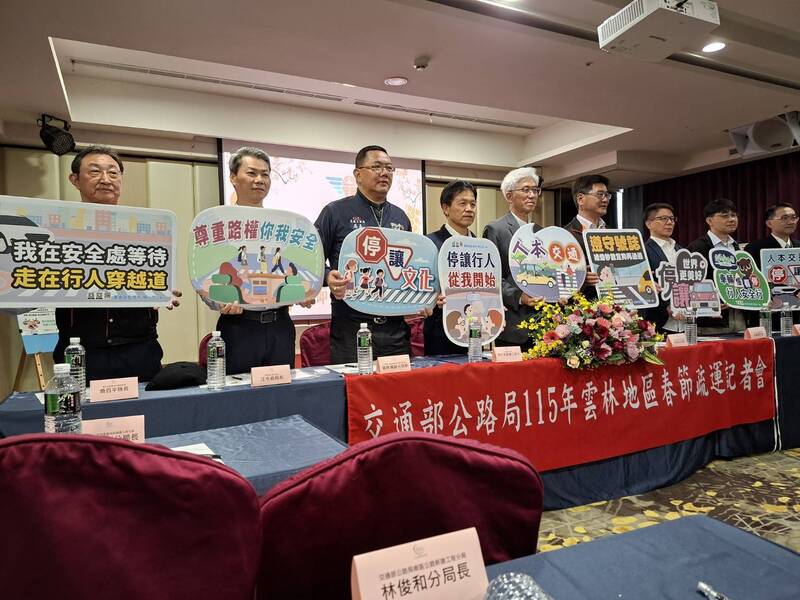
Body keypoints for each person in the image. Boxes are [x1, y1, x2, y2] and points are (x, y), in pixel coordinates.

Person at [53, 145, 181, 382]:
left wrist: (163, 291)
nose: (106, 179)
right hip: (81, 353)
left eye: (113, 173)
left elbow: (156, 278)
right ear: (75, 180)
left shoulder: (148, 230)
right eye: (95, 171)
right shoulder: (56, 231)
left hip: (139, 350)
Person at [316, 145, 413, 363]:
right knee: (355, 384)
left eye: (389, 168)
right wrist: (328, 276)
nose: (384, 173)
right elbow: (311, 259)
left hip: (395, 329)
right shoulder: (335, 212)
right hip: (352, 328)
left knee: (398, 383)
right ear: (358, 174)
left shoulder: (400, 217)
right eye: (377, 167)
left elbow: (409, 268)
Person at [208, 147, 297, 373]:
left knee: (280, 389)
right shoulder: (217, 225)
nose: (259, 180)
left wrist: (303, 291)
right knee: (237, 391)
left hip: (280, 325)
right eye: (251, 173)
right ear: (232, 177)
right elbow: (205, 274)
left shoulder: (283, 227)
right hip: (239, 326)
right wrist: (218, 301)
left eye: (265, 174)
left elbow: (291, 269)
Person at [483, 167, 542, 350]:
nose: (532, 195)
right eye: (525, 190)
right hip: (512, 325)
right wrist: (519, 296)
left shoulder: (540, 231)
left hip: (542, 325)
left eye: (535, 190)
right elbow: (490, 277)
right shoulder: (496, 229)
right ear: (509, 196)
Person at [424, 180, 477, 356]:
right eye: (462, 203)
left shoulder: (482, 246)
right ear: (446, 208)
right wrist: (432, 300)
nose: (469, 209)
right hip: (439, 331)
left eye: (472, 204)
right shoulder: (430, 244)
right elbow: (421, 287)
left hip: (475, 329)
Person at [687, 198, 745, 334]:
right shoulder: (697, 247)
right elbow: (691, 283)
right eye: (724, 216)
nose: (731, 219)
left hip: (738, 317)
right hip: (710, 322)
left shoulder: (737, 247)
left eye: (733, 215)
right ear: (709, 220)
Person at [744, 203, 800, 329]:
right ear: (769, 223)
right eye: (784, 218)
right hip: (767, 317)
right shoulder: (755, 248)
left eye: (793, 217)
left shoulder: (798, 246)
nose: (790, 222)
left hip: (797, 315)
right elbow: (747, 281)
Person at [564, 174, 609, 298]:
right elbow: (557, 274)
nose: (605, 199)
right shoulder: (565, 235)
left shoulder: (612, 234)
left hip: (615, 304)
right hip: (582, 305)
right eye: (600, 194)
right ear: (580, 199)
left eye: (607, 195)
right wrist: (581, 278)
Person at [642, 203, 683, 333]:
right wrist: (665, 307)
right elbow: (642, 285)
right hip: (659, 322)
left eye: (672, 219)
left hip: (685, 322)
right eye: (663, 218)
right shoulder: (643, 251)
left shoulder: (681, 250)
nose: (669, 222)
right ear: (649, 224)